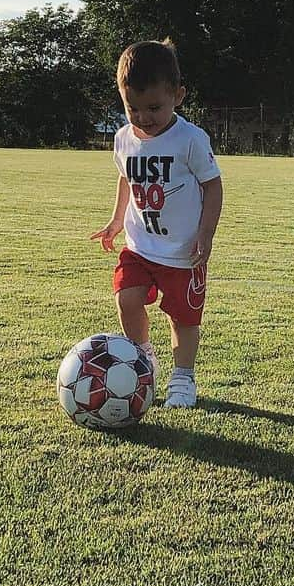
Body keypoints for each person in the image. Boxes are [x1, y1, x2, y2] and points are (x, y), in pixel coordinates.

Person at [90, 40, 223, 408]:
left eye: (154, 108)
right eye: (132, 108)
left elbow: (213, 186)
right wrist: (117, 220)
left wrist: (205, 235)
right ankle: (143, 359)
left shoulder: (191, 139)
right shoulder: (122, 138)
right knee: (126, 297)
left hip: (183, 252)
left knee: (183, 318)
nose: (143, 117)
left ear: (177, 96)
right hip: (140, 245)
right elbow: (126, 178)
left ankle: (183, 378)